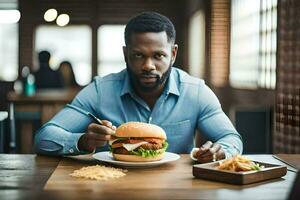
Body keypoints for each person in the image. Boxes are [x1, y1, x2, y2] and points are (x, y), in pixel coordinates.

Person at [34, 12, 243, 163]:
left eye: (158, 55)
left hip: (177, 188)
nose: (148, 66)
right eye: (138, 55)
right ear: (126, 55)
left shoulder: (196, 91)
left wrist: (221, 151)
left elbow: (231, 138)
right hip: (111, 186)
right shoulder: (100, 91)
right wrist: (83, 141)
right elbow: (44, 138)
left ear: (173, 54)